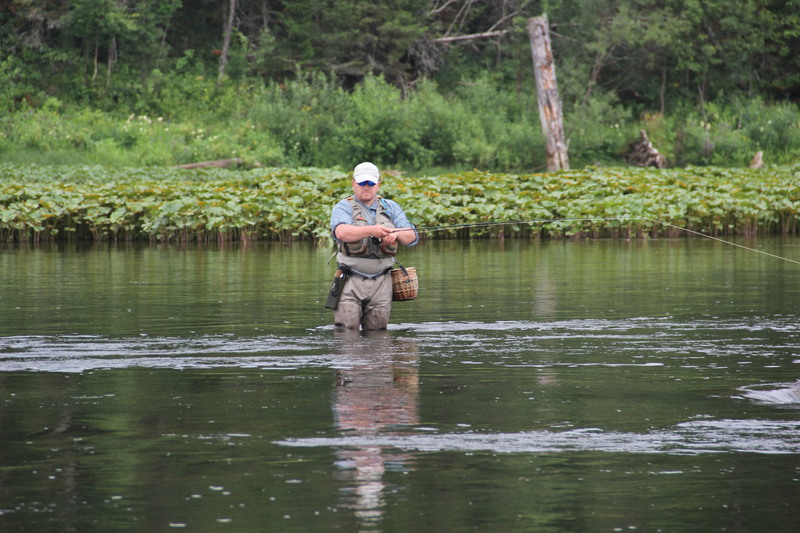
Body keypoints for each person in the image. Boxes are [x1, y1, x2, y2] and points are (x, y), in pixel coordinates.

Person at [329, 162, 418, 331]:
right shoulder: (343, 207)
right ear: (353, 183)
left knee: (378, 334)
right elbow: (341, 232)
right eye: (362, 182)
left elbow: (411, 237)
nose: (366, 187)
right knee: (346, 332)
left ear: (378, 185)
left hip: (382, 282)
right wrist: (372, 230)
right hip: (349, 280)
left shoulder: (391, 207)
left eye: (371, 183)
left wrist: (396, 233)